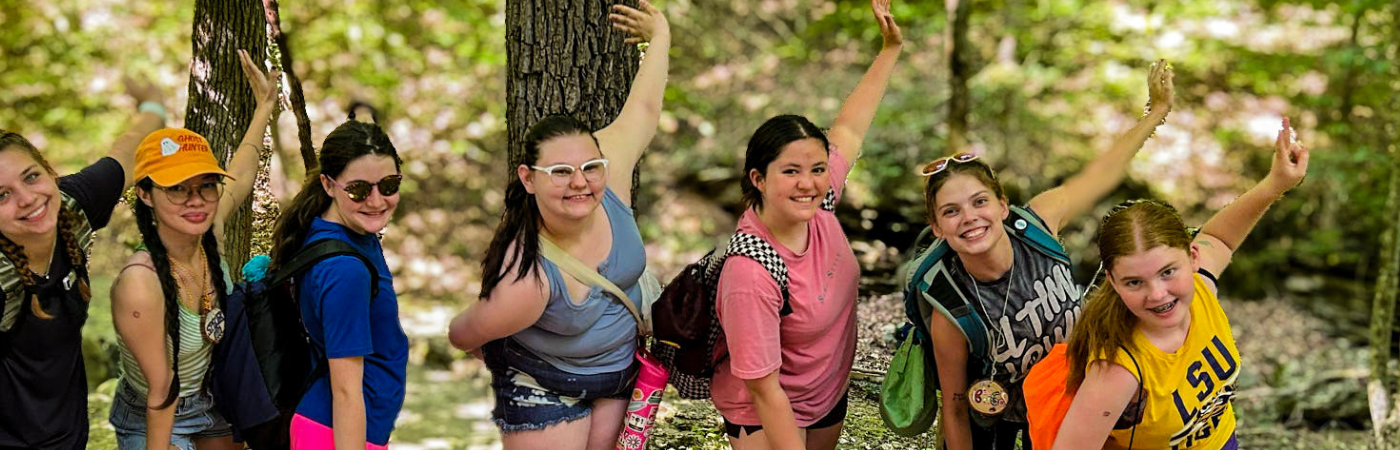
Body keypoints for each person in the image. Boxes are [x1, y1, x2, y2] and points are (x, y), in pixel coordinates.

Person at [445, 2, 669, 449]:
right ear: (529, 178)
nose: (581, 182)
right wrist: (489, 322)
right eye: (561, 172)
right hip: (543, 383)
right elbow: (461, 334)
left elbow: (643, 110)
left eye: (590, 167)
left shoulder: (610, 172)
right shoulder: (526, 282)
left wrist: (659, 35)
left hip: (621, 377)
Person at [919, 60, 1175, 450]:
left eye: (980, 202)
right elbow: (954, 408)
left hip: (1078, 398)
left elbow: (1101, 173)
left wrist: (1154, 114)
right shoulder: (950, 309)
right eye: (951, 211)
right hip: (1003, 423)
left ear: (1003, 205)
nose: (969, 218)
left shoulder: (1037, 224)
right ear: (937, 226)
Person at [710, 2, 902, 450]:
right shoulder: (750, 272)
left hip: (826, 397)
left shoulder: (821, 202)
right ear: (758, 178)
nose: (808, 183)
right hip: (767, 414)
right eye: (791, 171)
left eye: (817, 168)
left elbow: (851, 129)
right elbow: (763, 388)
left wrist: (889, 49)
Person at [1050, 118, 1309, 450]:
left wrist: (1275, 184)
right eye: (1133, 282)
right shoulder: (1118, 371)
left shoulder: (1201, 287)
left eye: (1168, 272)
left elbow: (1220, 237)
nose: (1157, 294)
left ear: (1193, 257)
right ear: (1112, 282)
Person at [0, 106, 161, 449]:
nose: (27, 198)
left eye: (31, 177)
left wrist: (153, 104)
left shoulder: (70, 206)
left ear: (49, 171)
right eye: (1, 196)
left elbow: (128, 150)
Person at [107, 49, 277, 450]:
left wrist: (265, 107)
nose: (195, 199)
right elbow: (160, 392)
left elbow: (243, 169)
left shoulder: (209, 235)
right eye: (177, 188)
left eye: (205, 185)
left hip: (212, 397)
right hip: (153, 411)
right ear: (145, 195)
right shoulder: (141, 284)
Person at [271, 117, 409, 450]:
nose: (376, 201)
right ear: (328, 185)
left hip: (346, 428)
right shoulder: (345, 270)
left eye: (388, 185)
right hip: (338, 433)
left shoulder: (349, 234)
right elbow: (346, 391)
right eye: (359, 189)